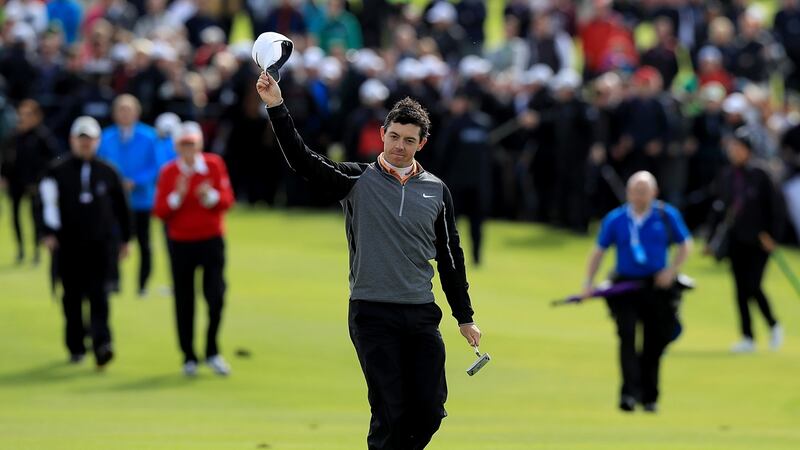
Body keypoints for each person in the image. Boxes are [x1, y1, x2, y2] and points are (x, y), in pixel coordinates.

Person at [257, 72, 482, 449]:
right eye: (394, 136)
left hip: (421, 313)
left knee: (428, 411)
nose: (399, 146)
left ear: (421, 143)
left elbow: (450, 256)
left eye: (409, 140)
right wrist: (276, 106)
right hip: (372, 313)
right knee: (390, 413)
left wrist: (465, 315)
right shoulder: (357, 180)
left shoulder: (436, 191)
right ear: (382, 133)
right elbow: (302, 160)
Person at [582, 171, 692, 413]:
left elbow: (685, 245)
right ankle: (628, 395)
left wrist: (671, 271)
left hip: (656, 287)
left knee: (653, 342)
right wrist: (588, 283)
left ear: (654, 192)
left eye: (644, 191)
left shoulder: (665, 215)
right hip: (625, 286)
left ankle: (650, 397)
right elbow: (598, 251)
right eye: (635, 191)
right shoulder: (617, 218)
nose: (639, 196)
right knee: (627, 337)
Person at [38, 116, 131, 367]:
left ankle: (102, 344)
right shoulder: (56, 170)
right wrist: (47, 233)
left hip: (100, 245)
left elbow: (122, 208)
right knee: (72, 297)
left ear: (97, 141)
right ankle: (76, 345)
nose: (85, 144)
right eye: (81, 139)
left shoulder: (108, 171)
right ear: (72, 140)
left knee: (100, 295)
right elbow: (45, 206)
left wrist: (125, 240)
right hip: (68, 245)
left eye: (89, 140)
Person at [153, 121, 234, 377]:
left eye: (192, 143)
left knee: (216, 297)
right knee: (184, 300)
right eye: (184, 144)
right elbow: (161, 211)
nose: (188, 149)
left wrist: (208, 195)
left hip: (211, 241)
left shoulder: (213, 165)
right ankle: (189, 355)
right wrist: (177, 195)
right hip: (181, 243)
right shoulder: (169, 172)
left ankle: (212, 350)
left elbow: (226, 200)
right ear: (177, 146)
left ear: (199, 144)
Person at [706, 129, 784, 353]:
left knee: (753, 285)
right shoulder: (727, 174)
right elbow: (719, 208)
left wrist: (774, 236)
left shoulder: (761, 173)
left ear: (748, 150)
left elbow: (777, 207)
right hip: (736, 239)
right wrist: (712, 240)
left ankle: (773, 323)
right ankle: (747, 336)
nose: (734, 152)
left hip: (760, 240)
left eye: (738, 148)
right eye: (732, 148)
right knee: (740, 290)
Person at [97, 94, 160, 296]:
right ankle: (113, 281)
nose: (124, 114)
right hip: (114, 201)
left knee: (144, 243)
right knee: (112, 242)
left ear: (137, 112)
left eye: (128, 109)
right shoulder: (105, 137)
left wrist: (136, 181)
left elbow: (155, 166)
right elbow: (100, 165)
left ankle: (142, 284)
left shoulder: (149, 136)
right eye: (121, 109)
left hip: (141, 199)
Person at [0, 99, 60, 264]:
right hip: (15, 182)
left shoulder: (42, 136)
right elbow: (6, 158)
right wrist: (3, 175)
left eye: (28, 115)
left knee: (35, 217)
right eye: (22, 114)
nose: (24, 118)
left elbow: (54, 158)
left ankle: (36, 251)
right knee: (15, 216)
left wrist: (44, 178)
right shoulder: (14, 135)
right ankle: (20, 249)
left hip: (35, 183)